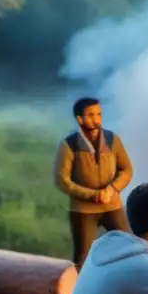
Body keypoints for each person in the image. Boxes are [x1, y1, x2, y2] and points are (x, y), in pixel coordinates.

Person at [54, 97, 134, 270]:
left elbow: (126, 170)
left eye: (99, 114)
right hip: (83, 210)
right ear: (80, 119)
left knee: (130, 249)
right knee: (83, 258)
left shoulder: (112, 140)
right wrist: (92, 195)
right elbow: (62, 180)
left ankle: (131, 292)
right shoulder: (69, 144)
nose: (97, 119)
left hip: (112, 205)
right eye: (91, 115)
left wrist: (112, 189)